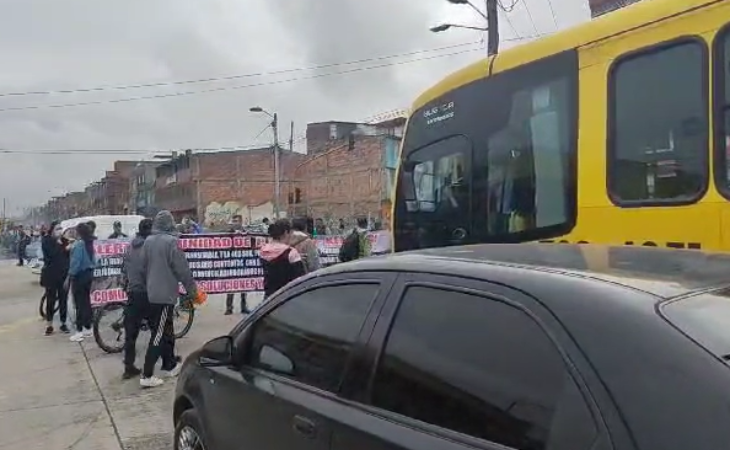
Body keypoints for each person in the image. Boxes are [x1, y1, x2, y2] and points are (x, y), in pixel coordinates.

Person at [140, 210, 197, 388]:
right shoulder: (172, 242)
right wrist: (192, 290)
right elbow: (182, 269)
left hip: (151, 292)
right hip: (164, 295)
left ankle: (170, 364)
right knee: (158, 334)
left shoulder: (148, 241)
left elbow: (143, 266)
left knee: (166, 330)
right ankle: (147, 374)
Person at [120, 219, 153, 379]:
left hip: (133, 293)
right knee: (161, 330)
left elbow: (124, 268)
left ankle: (129, 366)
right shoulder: (150, 247)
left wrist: (126, 284)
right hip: (148, 293)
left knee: (131, 334)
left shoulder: (130, 246)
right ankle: (166, 363)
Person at [259, 219, 305, 299]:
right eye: (290, 233)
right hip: (288, 297)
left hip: (269, 297)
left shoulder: (263, 250)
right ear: (286, 232)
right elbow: (300, 277)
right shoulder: (291, 252)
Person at [41, 220, 71, 335]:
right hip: (51, 275)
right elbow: (52, 255)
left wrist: (67, 246)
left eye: (61, 228)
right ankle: (49, 324)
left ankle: (63, 323)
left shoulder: (64, 241)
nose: (60, 231)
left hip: (63, 275)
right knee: (51, 300)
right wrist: (62, 246)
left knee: (63, 300)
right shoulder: (47, 240)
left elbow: (68, 256)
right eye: (57, 228)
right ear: (52, 230)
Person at [68, 222, 96, 342]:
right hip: (89, 275)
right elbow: (95, 260)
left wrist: (70, 276)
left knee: (79, 304)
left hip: (79, 276)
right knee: (86, 303)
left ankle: (79, 331)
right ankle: (88, 328)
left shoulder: (79, 245)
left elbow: (75, 263)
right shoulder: (90, 243)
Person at [225, 215, 248, 315]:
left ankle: (243, 307)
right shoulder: (229, 232)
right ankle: (229, 308)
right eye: (234, 221)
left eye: (237, 221)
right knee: (231, 285)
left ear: (241, 222)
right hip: (232, 262)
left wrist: (243, 235)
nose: (235, 223)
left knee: (243, 285)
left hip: (242, 261)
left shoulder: (245, 231)